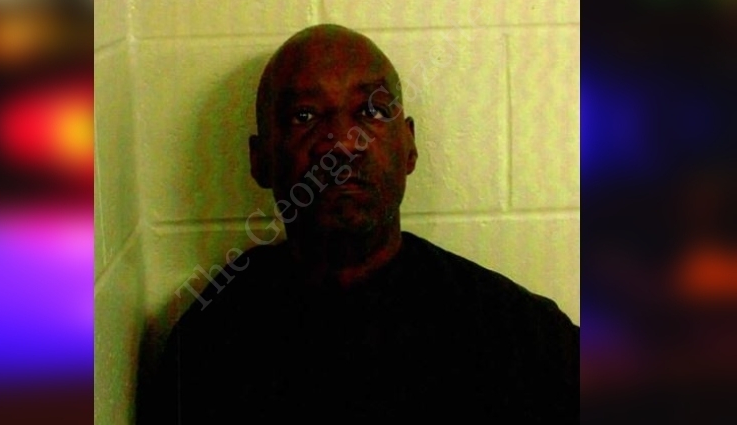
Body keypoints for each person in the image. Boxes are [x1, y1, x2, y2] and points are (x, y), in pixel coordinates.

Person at [142, 24, 578, 422]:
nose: (342, 143)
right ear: (260, 160)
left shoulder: (514, 333)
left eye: (371, 112)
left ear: (409, 145)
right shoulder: (211, 343)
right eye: (304, 116)